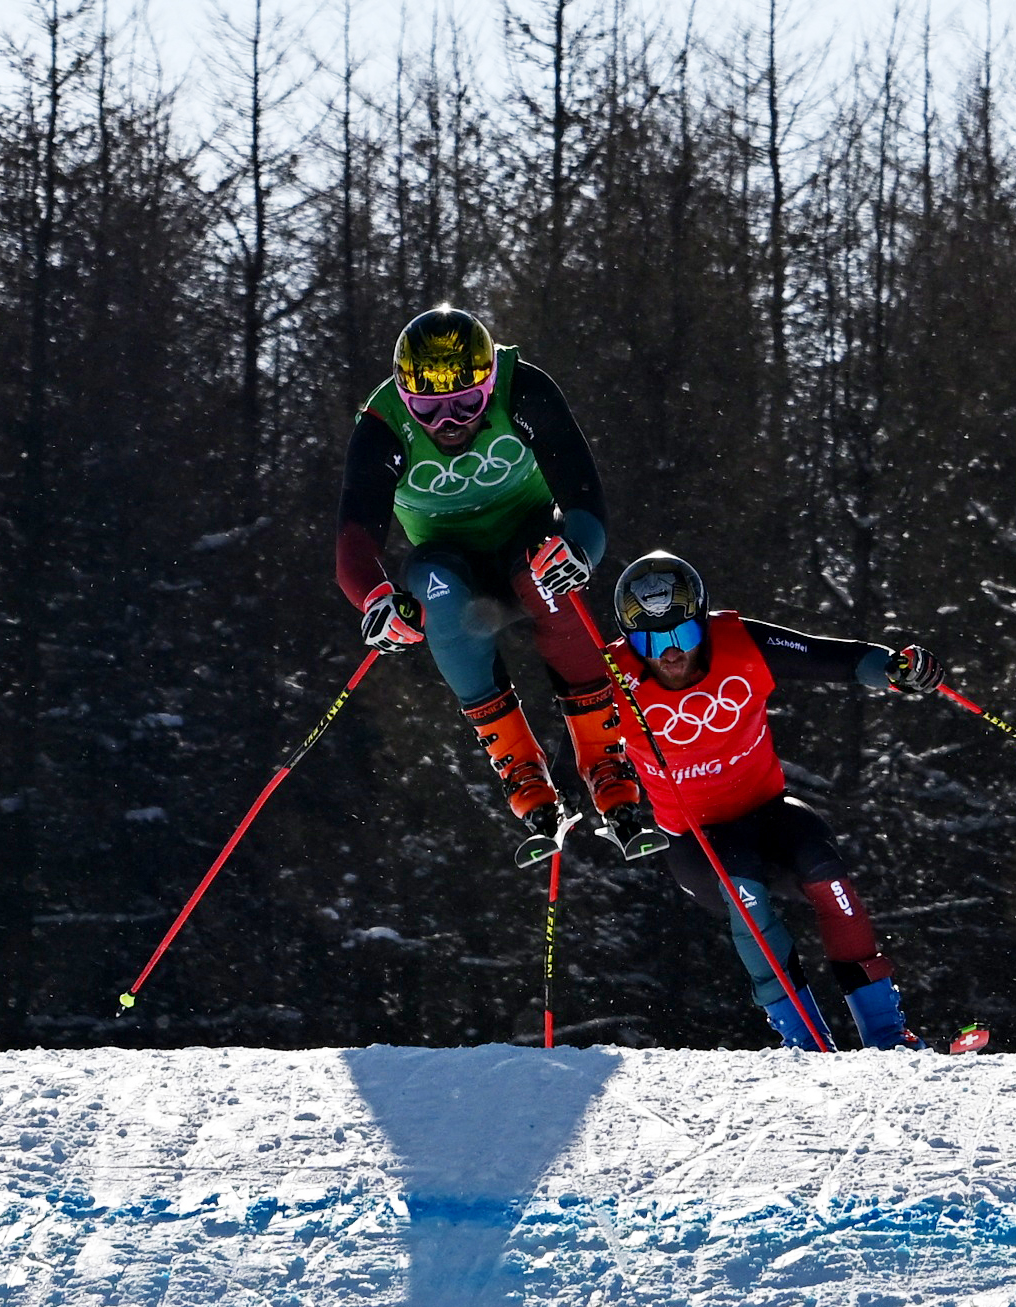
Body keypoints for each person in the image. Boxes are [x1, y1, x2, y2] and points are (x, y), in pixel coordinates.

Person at [336, 307, 665, 868]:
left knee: (548, 579)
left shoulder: (524, 387)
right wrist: (376, 600)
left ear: (490, 381)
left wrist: (580, 549)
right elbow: (353, 542)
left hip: (531, 537)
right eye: (429, 410)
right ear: (404, 398)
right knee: (436, 591)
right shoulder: (383, 425)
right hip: (449, 558)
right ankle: (518, 763)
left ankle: (604, 757)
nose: (450, 423)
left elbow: (583, 490)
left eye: (468, 402)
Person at [605, 551, 948, 1051]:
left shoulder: (740, 643)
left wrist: (895, 669)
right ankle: (806, 1045)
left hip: (768, 812)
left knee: (823, 863)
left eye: (681, 635)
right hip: (696, 840)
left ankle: (889, 1038)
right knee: (742, 885)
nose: (668, 653)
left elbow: (832, 657)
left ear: (702, 623)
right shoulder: (612, 675)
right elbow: (583, 750)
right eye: (649, 641)